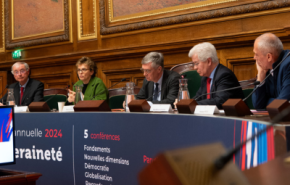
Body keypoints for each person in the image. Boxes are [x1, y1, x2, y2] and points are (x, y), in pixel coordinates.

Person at [189, 42, 244, 109]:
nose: (195, 67)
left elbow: (220, 101)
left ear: (209, 61)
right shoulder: (205, 78)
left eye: (196, 63)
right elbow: (198, 98)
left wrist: (194, 105)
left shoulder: (224, 75)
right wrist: (186, 103)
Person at [252, 33, 290, 109]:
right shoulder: (266, 69)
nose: (254, 58)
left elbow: (282, 105)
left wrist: (266, 102)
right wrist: (261, 75)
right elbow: (258, 105)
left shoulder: (288, 65)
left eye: (256, 54)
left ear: (269, 57)